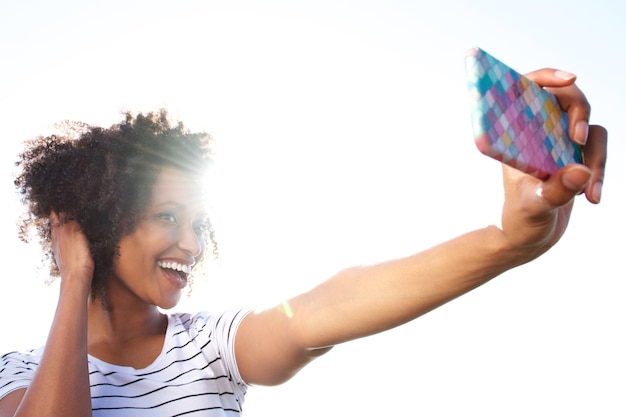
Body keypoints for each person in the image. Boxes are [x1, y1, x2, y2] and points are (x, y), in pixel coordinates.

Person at [0, 68, 607, 417]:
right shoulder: (16, 373)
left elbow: (325, 308)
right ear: (94, 217)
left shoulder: (210, 347)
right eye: (168, 215)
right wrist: (74, 276)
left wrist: (508, 241)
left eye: (201, 222)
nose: (191, 242)